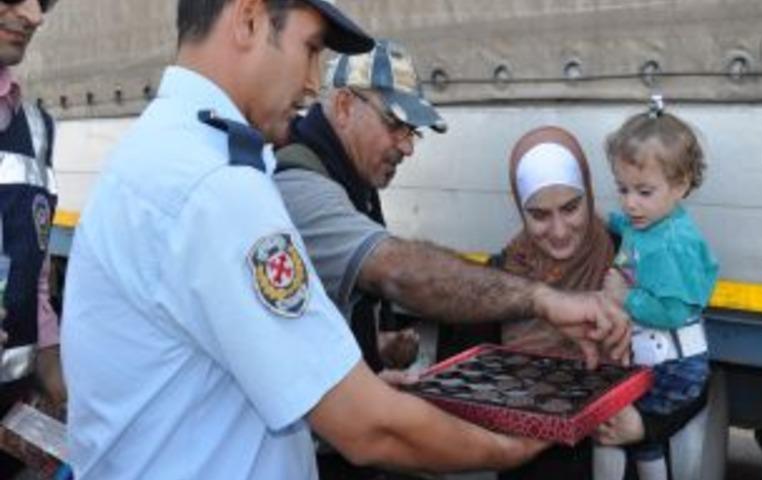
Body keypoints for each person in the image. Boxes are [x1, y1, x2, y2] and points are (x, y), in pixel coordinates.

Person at [59, 1, 593, 478]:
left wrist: (355, 386)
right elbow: (369, 431)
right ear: (248, 19)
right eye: (310, 49)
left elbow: (213, 375)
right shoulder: (218, 186)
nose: (314, 83)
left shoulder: (160, 151)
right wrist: (509, 448)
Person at [273, 38, 631, 480]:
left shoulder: (357, 186)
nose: (408, 147)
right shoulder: (301, 187)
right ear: (344, 106)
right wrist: (543, 301)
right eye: (396, 125)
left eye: (413, 132)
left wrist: (367, 361)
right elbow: (398, 270)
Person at [592, 98, 719, 480]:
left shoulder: (673, 243)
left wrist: (622, 298)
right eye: (622, 189)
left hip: (675, 368)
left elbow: (673, 311)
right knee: (642, 443)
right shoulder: (646, 221)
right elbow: (626, 225)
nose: (631, 204)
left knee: (613, 429)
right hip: (656, 357)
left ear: (680, 186)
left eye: (643, 192)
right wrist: (601, 219)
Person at [488, 126, 616, 480]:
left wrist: (645, 426)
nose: (559, 231)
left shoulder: (630, 261)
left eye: (571, 208)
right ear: (519, 208)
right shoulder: (498, 280)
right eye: (539, 215)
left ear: (589, 194)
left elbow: (688, 379)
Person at [0, 0, 66, 476]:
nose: (36, 16)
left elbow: (36, 284)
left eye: (44, 2)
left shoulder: (38, 130)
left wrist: (62, 388)